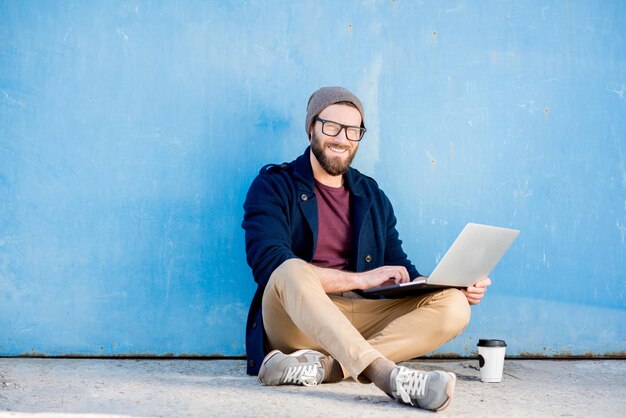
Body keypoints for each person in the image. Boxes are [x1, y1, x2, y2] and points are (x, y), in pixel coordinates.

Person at [241, 86, 491, 411]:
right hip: (296, 320)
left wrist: (451, 283)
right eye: (331, 126)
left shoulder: (371, 195)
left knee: (455, 305)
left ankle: (331, 367)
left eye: (353, 130)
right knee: (289, 269)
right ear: (311, 127)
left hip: (359, 319)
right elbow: (268, 266)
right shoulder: (274, 185)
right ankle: (386, 375)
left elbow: (402, 272)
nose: (342, 139)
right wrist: (362, 280)